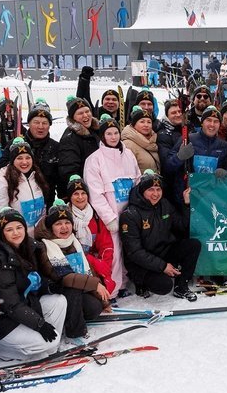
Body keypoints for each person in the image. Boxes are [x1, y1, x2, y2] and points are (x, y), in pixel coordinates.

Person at [0, 207, 67, 361]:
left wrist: (48, 286)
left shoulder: (29, 247)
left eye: (19, 227)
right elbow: (10, 303)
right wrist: (40, 325)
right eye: (9, 229)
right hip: (4, 321)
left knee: (59, 300)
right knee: (46, 341)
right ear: (2, 233)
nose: (16, 232)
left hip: (24, 308)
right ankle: (3, 350)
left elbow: (31, 280)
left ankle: (51, 345)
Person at [84, 114, 142, 297]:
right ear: (102, 136)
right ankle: (114, 288)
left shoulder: (129, 154)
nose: (113, 137)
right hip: (111, 215)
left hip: (130, 212)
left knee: (130, 249)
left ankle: (128, 282)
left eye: (116, 132)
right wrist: (109, 218)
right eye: (108, 133)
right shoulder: (94, 159)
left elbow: (137, 180)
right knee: (114, 253)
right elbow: (95, 193)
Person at [34, 199, 109, 338]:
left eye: (67, 222)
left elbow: (87, 269)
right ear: (51, 227)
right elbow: (63, 277)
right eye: (58, 224)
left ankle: (72, 317)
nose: (64, 227)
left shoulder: (73, 241)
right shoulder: (45, 246)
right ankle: (75, 332)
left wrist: (103, 301)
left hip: (74, 289)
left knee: (94, 308)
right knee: (72, 288)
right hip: (53, 292)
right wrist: (94, 284)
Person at [120, 171, 199, 301]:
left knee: (193, 245)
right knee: (164, 286)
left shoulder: (165, 204)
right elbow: (134, 252)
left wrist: (186, 204)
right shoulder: (130, 215)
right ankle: (140, 282)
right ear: (142, 191)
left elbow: (182, 226)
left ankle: (181, 286)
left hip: (162, 252)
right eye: (150, 189)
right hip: (141, 263)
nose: (155, 194)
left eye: (158, 189)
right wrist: (163, 266)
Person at [66, 175, 116, 296]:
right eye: (75, 194)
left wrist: (104, 267)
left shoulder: (95, 216)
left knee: (107, 286)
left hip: (93, 261)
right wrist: (92, 261)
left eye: (83, 193)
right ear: (70, 196)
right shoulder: (65, 216)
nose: (80, 197)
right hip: (75, 262)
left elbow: (106, 244)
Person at [0, 137, 49, 236]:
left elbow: (42, 210)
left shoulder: (37, 178)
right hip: (17, 240)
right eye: (19, 158)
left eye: (28, 158)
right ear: (12, 160)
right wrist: (15, 238)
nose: (24, 162)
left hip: (38, 237)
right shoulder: (2, 182)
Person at [20, 99, 61, 203]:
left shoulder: (56, 147)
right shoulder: (18, 145)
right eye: (36, 122)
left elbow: (61, 178)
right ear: (29, 123)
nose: (40, 127)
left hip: (47, 201)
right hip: (20, 200)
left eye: (45, 123)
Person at [58, 96, 100, 193]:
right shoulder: (69, 138)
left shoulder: (96, 131)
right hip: (84, 190)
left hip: (99, 185)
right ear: (73, 117)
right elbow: (69, 170)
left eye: (87, 111)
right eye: (80, 113)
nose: (85, 115)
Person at [120, 106, 161, 173]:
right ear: (134, 124)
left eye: (149, 122)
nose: (146, 125)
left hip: (153, 182)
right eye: (142, 122)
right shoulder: (128, 144)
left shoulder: (153, 142)